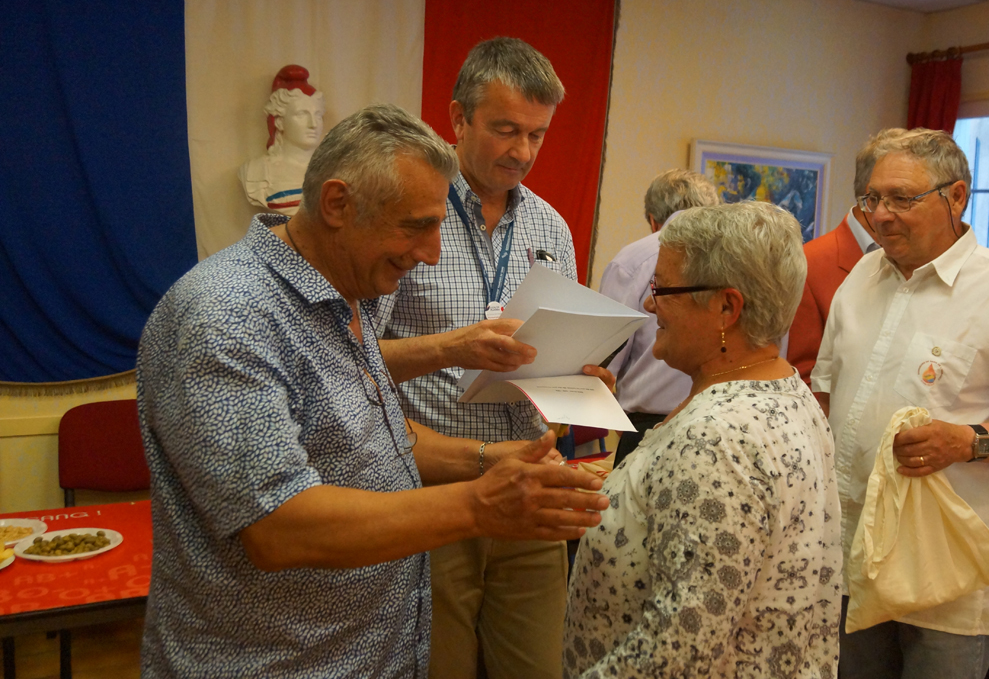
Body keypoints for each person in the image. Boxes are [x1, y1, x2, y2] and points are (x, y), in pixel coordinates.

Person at [136, 104, 608, 678]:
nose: (433, 252)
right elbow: (278, 528)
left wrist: (487, 459)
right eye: (416, 226)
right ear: (337, 203)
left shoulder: (356, 292)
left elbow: (372, 439)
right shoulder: (227, 317)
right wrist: (479, 504)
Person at [810, 128, 989, 679]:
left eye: (902, 199)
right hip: (850, 553)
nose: (882, 215)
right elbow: (825, 393)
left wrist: (966, 440)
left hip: (946, 572)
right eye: (872, 199)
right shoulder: (862, 278)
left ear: (956, 197)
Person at [564, 202, 842, 678]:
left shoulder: (714, 439)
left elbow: (677, 653)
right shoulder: (786, 390)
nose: (650, 305)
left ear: (726, 307)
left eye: (662, 289)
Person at [377, 37, 577, 679]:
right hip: (431, 490)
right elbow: (350, 359)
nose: (522, 151)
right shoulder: (410, 215)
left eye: (537, 134)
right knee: (441, 669)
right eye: (505, 129)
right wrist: (454, 346)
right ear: (459, 119)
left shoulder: (552, 228)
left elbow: (550, 359)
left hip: (528, 487)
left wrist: (579, 377)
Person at [599, 168, 720, 467]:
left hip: (647, 429)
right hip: (723, 424)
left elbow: (601, 361)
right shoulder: (740, 257)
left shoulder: (635, 260)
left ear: (654, 221)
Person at [787, 129, 895, 385]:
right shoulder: (810, 264)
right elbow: (805, 377)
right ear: (873, 195)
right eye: (902, 196)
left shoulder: (914, 260)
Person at [239, 65, 326, 215]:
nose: (313, 124)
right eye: (301, 114)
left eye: (318, 115)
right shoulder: (256, 172)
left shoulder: (336, 170)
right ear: (279, 122)